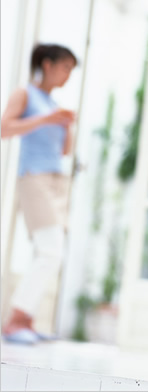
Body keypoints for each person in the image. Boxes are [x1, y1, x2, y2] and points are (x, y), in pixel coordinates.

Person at [1, 43, 78, 344]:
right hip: (33, 177)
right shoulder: (26, 94)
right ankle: (15, 322)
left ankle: (26, 321)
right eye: (65, 67)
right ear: (47, 64)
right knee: (50, 250)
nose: (68, 75)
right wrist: (48, 119)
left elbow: (65, 150)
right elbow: (4, 128)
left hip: (56, 179)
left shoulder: (50, 101)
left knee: (49, 252)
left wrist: (67, 125)